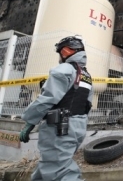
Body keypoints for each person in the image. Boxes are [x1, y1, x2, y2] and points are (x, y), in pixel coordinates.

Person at [19, 35, 93, 181]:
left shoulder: (64, 69)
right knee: (48, 167)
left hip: (59, 127)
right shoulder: (86, 75)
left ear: (65, 51)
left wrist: (30, 121)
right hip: (77, 127)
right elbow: (87, 105)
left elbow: (48, 99)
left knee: (60, 171)